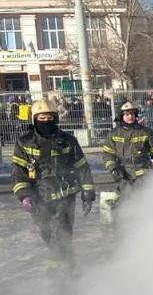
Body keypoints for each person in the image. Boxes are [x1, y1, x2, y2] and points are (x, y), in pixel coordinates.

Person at [10, 98, 96, 264]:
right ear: (35, 119)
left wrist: (88, 195)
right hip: (39, 198)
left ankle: (66, 272)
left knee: (63, 236)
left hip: (65, 196)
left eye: (49, 117)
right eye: (41, 118)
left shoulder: (68, 141)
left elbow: (82, 168)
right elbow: (18, 173)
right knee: (48, 234)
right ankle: (62, 265)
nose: (46, 121)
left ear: (55, 118)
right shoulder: (24, 142)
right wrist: (24, 195)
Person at [102, 101, 153, 194]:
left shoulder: (145, 132)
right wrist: (113, 168)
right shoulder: (113, 134)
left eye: (132, 113)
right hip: (125, 175)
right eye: (127, 114)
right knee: (125, 204)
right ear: (121, 116)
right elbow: (107, 154)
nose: (130, 116)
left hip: (144, 174)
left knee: (146, 201)